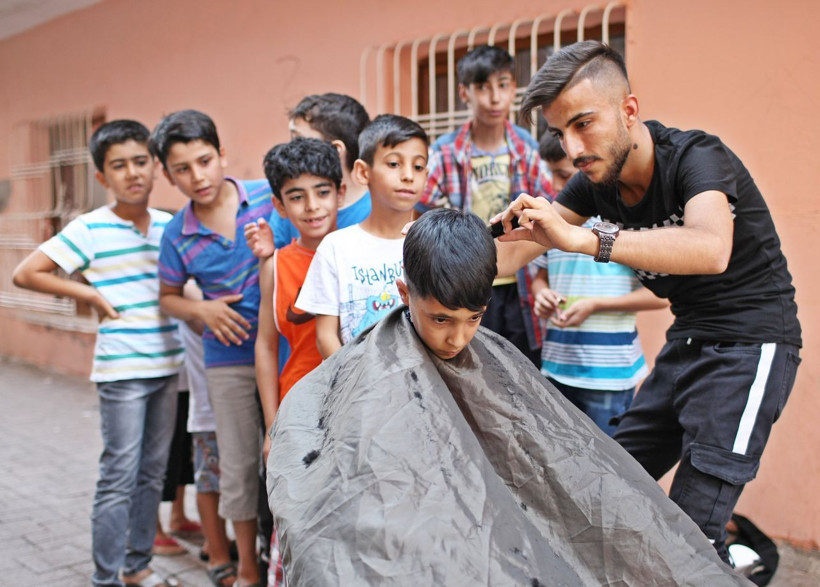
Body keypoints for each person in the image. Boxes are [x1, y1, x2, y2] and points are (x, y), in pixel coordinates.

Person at [266, 209, 746, 585]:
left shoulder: (494, 360)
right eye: (440, 320)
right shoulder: (371, 369)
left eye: (472, 319)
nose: (457, 339)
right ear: (403, 293)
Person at [493, 40, 801, 565]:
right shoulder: (595, 185)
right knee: (608, 483)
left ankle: (726, 560)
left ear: (628, 110)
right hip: (689, 340)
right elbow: (510, 258)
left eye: (583, 124)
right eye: (559, 133)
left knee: (689, 533)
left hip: (753, 344)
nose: (572, 148)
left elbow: (710, 247)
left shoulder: (697, 156)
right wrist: (433, 255)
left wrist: (589, 239)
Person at [12, 120, 184, 587]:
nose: (133, 173)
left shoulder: (172, 226)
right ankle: (104, 577)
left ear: (155, 166)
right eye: (119, 166)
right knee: (118, 476)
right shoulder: (89, 228)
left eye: (141, 161)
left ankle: (138, 566)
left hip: (169, 366)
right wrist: (90, 297)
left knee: (153, 473)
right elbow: (27, 274)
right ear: (103, 177)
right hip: (122, 372)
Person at [152, 109, 273, 587]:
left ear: (222, 153)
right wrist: (200, 312)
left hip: (283, 351)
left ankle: (285, 558)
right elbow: (167, 297)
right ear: (168, 174)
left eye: (204, 160)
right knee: (238, 465)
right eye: (182, 169)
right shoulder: (175, 234)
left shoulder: (267, 196)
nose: (197, 176)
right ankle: (247, 568)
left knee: (286, 455)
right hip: (226, 364)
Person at [416, 44, 554, 366]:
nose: (494, 98)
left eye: (503, 85)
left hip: (517, 283)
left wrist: (539, 278)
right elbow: (425, 211)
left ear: (513, 89)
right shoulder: (446, 151)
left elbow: (549, 210)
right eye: (483, 87)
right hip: (464, 281)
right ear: (465, 92)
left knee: (520, 368)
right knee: (466, 366)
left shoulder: (527, 149)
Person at [530, 134, 668, 436]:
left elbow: (662, 297)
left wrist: (598, 305)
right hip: (557, 367)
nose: (554, 186)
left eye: (563, 176)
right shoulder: (551, 220)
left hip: (608, 376)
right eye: (549, 174)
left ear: (585, 169)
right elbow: (539, 278)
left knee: (606, 469)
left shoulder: (621, 219)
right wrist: (542, 296)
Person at [295, 114, 429, 357]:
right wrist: (354, 382)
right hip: (359, 386)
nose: (408, 175)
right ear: (362, 172)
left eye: (418, 166)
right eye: (393, 164)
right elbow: (326, 336)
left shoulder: (432, 244)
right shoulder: (337, 247)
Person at [255, 137, 344, 460]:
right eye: (296, 196)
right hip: (297, 410)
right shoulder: (275, 267)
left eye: (322, 192)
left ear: (340, 193)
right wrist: (271, 426)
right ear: (279, 205)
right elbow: (265, 346)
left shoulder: (358, 252)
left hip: (357, 404)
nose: (312, 206)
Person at [261, 93, 371, 249]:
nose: (292, 148)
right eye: (298, 197)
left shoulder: (376, 207)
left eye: (299, 140)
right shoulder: (291, 197)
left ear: (336, 149)